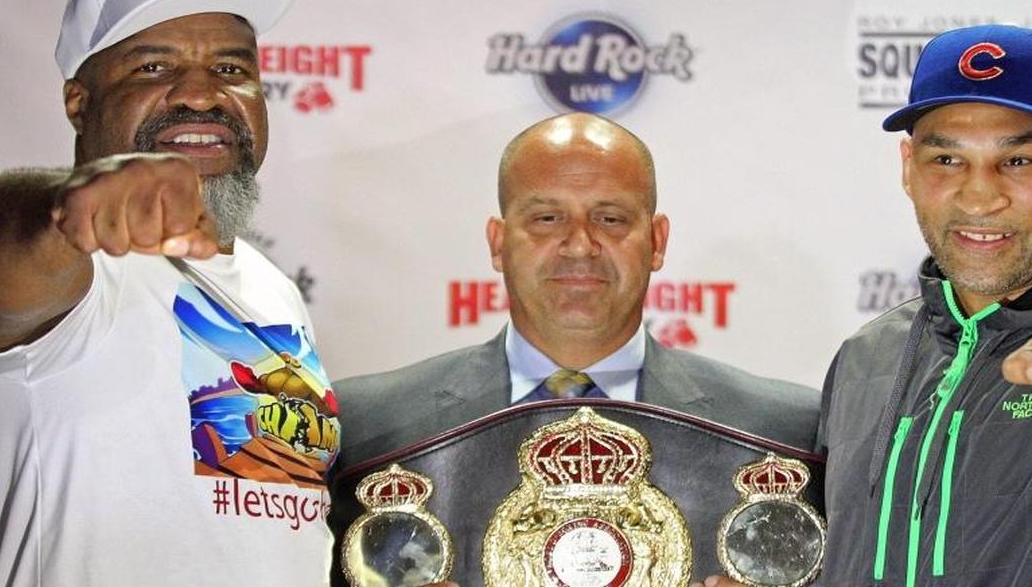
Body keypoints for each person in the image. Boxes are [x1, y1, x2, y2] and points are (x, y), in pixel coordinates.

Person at [0, 0, 341, 586]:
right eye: (154, 65)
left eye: (231, 66)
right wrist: (67, 206)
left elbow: (261, 535)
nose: (202, 93)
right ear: (78, 104)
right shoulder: (70, 263)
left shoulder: (272, 289)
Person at [333, 112, 821, 584]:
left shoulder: (783, 436)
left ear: (656, 241)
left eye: (610, 219)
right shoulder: (366, 431)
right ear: (498, 244)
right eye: (547, 218)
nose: (580, 244)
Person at [808, 23, 1032, 587]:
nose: (981, 196)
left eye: (1019, 162)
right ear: (908, 167)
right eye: (948, 161)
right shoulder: (866, 356)